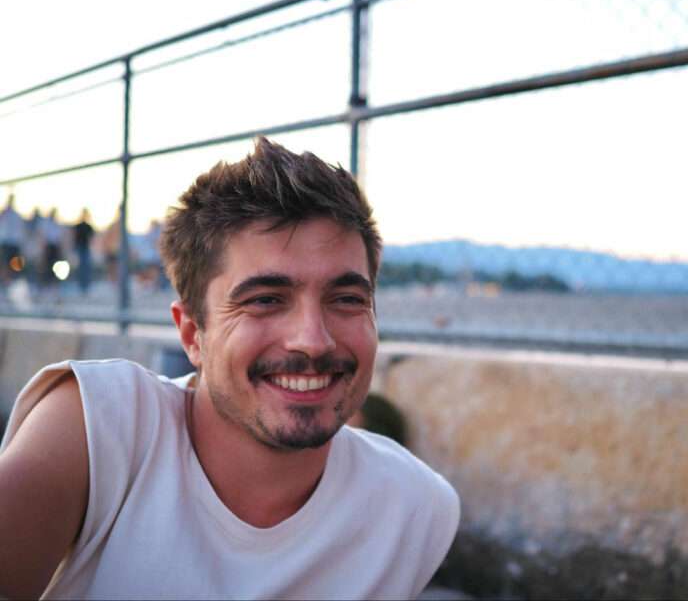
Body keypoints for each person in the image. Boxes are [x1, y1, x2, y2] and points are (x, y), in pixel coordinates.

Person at [0, 138, 460, 599]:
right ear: (192, 335)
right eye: (265, 300)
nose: (314, 339)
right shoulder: (100, 429)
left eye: (346, 299)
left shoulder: (416, 509)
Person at [0, 194, 25, 286]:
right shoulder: (4, 214)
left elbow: (20, 230)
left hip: (14, 243)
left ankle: (13, 283)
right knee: (4, 264)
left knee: (15, 266)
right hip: (6, 243)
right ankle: (5, 283)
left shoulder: (17, 215)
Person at [72, 208, 95, 294]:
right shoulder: (78, 226)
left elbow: (92, 238)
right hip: (80, 249)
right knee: (81, 267)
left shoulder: (89, 226)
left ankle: (86, 285)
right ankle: (81, 285)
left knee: (86, 267)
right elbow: (74, 237)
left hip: (86, 249)